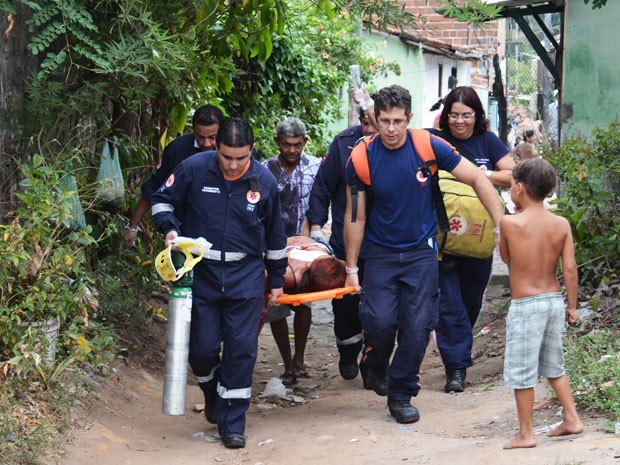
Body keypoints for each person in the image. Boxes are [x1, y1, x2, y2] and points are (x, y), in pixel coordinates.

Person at [344, 85, 504, 424]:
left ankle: (401, 394)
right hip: (382, 254)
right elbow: (355, 215)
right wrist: (351, 268)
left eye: (397, 121)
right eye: (384, 120)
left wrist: (502, 226)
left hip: (421, 253)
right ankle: (374, 361)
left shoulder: (427, 146)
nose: (390, 129)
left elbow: (476, 176)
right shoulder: (361, 157)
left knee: (417, 328)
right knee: (379, 322)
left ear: (409, 119)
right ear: (375, 118)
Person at [150, 117, 287, 449]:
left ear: (251, 152)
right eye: (227, 157)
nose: (233, 165)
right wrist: (169, 229)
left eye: (241, 158)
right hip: (203, 274)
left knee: (241, 350)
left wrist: (278, 279)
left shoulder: (264, 182)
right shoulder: (195, 168)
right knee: (202, 349)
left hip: (247, 276)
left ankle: (233, 423)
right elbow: (161, 199)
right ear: (217, 150)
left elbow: (275, 236)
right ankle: (212, 393)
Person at [428, 86, 516, 394]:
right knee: (448, 304)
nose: (460, 122)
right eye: (454, 115)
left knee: (469, 304)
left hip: (478, 243)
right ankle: (457, 368)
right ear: (445, 115)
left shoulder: (487, 142)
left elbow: (515, 174)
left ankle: (457, 350)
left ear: (477, 116)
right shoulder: (433, 139)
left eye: (466, 115)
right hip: (441, 239)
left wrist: (483, 174)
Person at [499, 158, 583, 449]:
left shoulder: (509, 222)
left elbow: (508, 259)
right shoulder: (560, 224)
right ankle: (571, 418)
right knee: (553, 365)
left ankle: (526, 433)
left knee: (522, 371)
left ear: (519, 188)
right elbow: (570, 269)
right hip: (552, 301)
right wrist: (572, 306)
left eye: (511, 185)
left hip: (526, 306)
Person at [306, 103, 376, 381]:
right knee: (345, 305)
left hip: (383, 243)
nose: (370, 129)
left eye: (375, 122)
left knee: (378, 308)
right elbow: (322, 186)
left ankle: (373, 363)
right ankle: (348, 350)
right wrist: (315, 226)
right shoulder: (344, 144)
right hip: (345, 244)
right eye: (366, 123)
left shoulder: (399, 146)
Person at [263, 117, 321, 384]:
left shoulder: (315, 168)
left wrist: (307, 241)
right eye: (287, 145)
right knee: (277, 306)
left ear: (305, 142)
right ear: (278, 143)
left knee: (303, 302)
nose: (292, 150)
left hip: (304, 244)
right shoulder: (265, 170)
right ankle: (287, 363)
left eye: (298, 145)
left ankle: (299, 358)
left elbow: (318, 205)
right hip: (273, 247)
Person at [123, 104, 224, 246]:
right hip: (182, 236)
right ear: (194, 130)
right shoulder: (177, 150)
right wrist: (132, 226)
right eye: (200, 137)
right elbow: (154, 188)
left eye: (213, 137)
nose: (206, 144)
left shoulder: (236, 153)